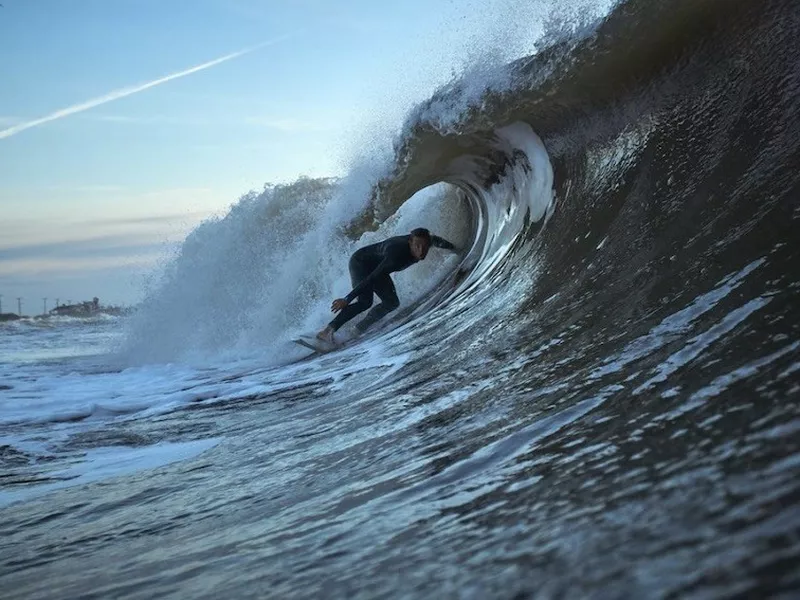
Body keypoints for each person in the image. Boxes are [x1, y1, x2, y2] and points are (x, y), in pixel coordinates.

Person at [317, 227, 458, 344]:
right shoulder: (395, 255)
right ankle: (327, 331)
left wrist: (459, 251)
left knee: (391, 303)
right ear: (410, 242)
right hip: (361, 263)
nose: (421, 251)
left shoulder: (427, 240)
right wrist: (347, 299)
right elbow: (371, 278)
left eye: (425, 247)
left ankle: (358, 329)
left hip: (377, 266)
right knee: (365, 302)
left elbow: (440, 242)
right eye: (417, 246)